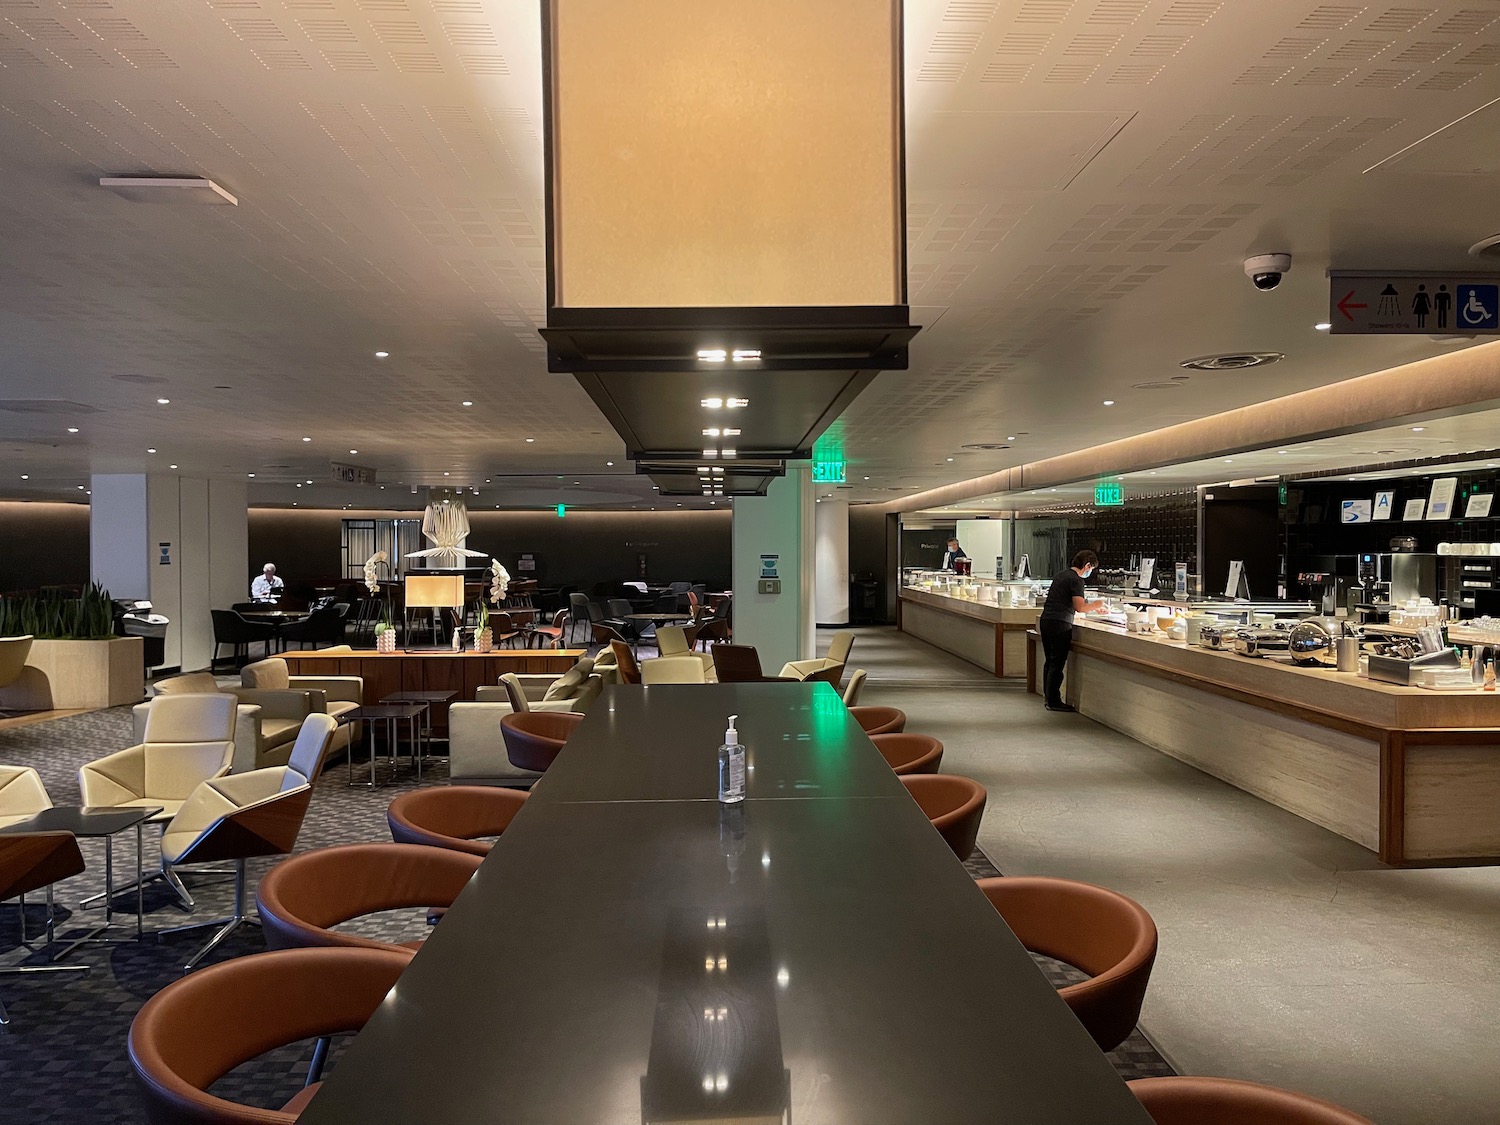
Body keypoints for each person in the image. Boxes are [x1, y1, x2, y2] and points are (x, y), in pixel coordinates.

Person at [1038, 550, 1105, 713]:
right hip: (1060, 624)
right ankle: (1054, 701)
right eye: (1091, 568)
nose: (1090, 572)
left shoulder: (1062, 575)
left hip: (1046, 620)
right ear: (1087, 565)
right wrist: (1097, 605)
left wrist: (1092, 608)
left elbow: (1071, 600)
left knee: (1050, 661)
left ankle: (1048, 697)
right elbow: (1079, 607)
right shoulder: (1076, 580)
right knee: (1057, 663)